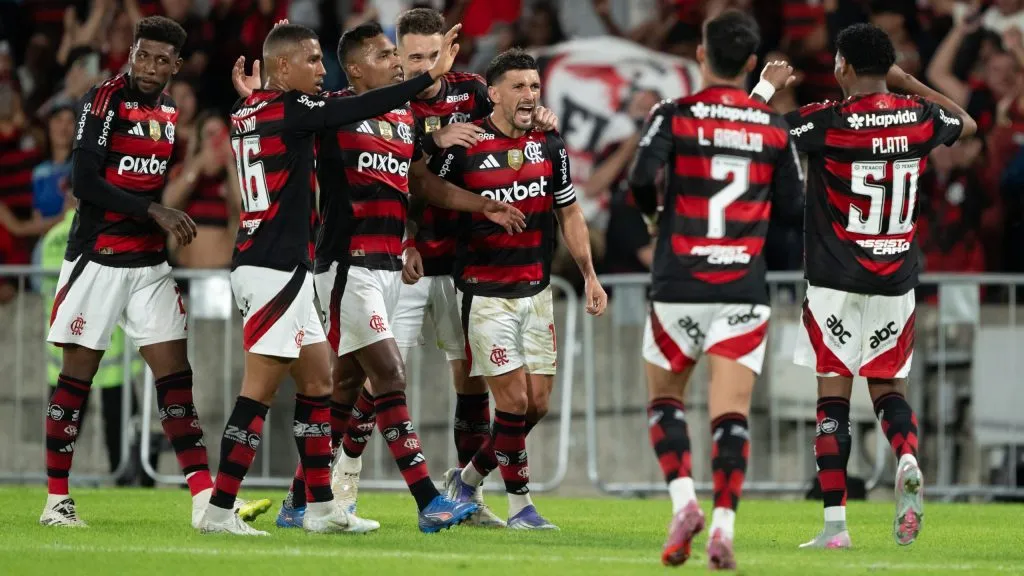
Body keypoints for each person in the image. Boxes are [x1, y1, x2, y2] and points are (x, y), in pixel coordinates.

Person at [199, 21, 478, 536]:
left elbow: (277, 113)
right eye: (310, 60)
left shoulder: (254, 109)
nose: (320, 69)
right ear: (283, 67)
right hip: (284, 266)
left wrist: (261, 90)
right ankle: (218, 510)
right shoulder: (299, 109)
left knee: (322, 385)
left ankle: (315, 506)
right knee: (263, 392)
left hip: (289, 265)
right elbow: (345, 107)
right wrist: (427, 79)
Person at [270, 21, 524, 531]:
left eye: (394, 54)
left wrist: (481, 204)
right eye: (385, 55)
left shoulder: (402, 116)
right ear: (356, 68)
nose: (395, 62)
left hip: (388, 265)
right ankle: (429, 500)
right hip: (347, 264)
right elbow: (279, 115)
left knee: (346, 387)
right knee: (389, 374)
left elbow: (421, 184)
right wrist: (266, 87)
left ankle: (297, 501)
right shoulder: (332, 111)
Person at [753, 23, 977, 549]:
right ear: (887, 67)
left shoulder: (827, 121)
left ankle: (836, 527)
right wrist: (909, 83)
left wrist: (765, 88)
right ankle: (907, 457)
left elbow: (753, 138)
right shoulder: (919, 116)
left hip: (835, 280)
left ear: (844, 67)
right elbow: (966, 123)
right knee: (889, 391)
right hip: (895, 282)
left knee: (833, 400)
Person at [42, 15, 270, 529]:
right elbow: (84, 181)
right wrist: (154, 211)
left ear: (176, 65)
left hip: (148, 264)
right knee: (76, 380)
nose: (148, 65)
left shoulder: (168, 111)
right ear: (131, 54)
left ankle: (205, 502)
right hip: (98, 259)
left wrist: (156, 215)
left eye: (160, 59)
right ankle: (56, 501)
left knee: (176, 381)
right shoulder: (104, 100)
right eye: (141, 55)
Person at [335, 7, 557, 529]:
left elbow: (509, 126)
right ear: (398, 54)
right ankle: (342, 484)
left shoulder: (474, 92)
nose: (423, 66)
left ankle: (468, 496)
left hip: (462, 267)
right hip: (404, 262)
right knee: (380, 378)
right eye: (413, 57)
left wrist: (538, 116)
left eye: (433, 55)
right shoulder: (387, 99)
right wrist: (410, 231)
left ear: (449, 52)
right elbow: (401, 178)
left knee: (472, 384)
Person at [626, 11, 805, 569]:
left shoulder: (674, 114)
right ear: (751, 62)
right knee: (731, 415)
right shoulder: (773, 127)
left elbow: (640, 178)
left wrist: (655, 220)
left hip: (679, 281)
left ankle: (684, 502)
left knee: (665, 402)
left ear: (701, 55)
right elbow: (794, 208)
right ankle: (723, 526)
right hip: (742, 286)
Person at [436, 48, 608, 530]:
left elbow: (568, 211)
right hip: (484, 292)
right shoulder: (466, 144)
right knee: (511, 403)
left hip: (536, 290)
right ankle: (521, 508)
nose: (529, 94)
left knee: (537, 406)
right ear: (493, 93)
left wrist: (589, 273)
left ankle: (466, 480)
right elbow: (425, 189)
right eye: (518, 86)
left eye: (534, 85)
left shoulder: (549, 144)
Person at [162, 111, 241, 269]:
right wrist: (198, 163)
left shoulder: (233, 178)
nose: (215, 143)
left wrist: (230, 163)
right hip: (184, 271)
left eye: (221, 135)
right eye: (210, 135)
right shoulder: (183, 172)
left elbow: (243, 210)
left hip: (223, 271)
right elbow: (169, 203)